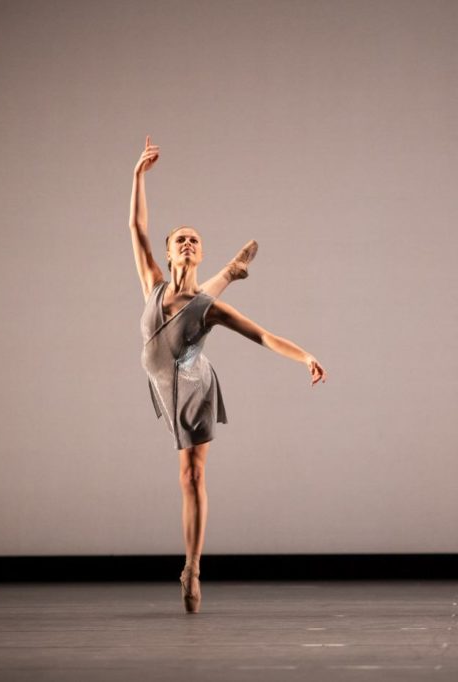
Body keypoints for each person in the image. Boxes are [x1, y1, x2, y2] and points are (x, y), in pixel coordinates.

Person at [128, 136, 326, 613]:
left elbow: (263, 335)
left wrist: (305, 357)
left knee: (191, 476)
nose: (188, 243)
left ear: (198, 254)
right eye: (182, 240)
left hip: (193, 386)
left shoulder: (209, 309)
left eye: (196, 241)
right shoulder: (152, 284)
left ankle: (192, 568)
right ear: (171, 254)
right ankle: (232, 269)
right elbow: (136, 227)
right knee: (194, 301)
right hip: (164, 378)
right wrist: (137, 176)